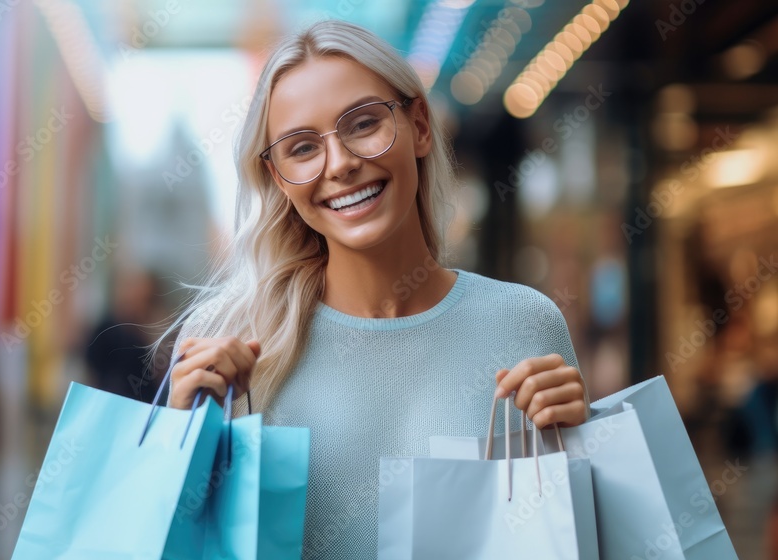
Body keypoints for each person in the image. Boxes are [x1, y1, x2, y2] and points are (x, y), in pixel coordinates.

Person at [157, 19, 591, 557]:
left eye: (362, 124)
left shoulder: (522, 322)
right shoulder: (236, 345)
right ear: (275, 177)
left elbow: (563, 535)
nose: (340, 165)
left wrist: (579, 442)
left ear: (421, 126)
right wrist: (179, 447)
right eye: (301, 148)